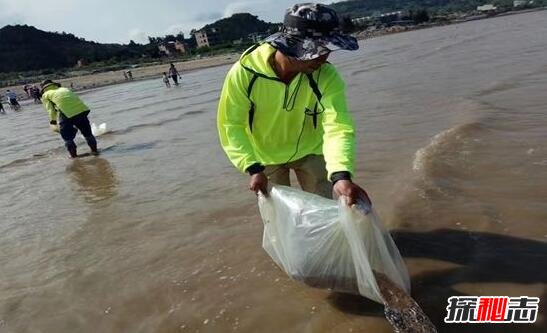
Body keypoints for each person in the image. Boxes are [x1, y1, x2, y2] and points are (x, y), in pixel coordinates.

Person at [217, 3, 369, 206]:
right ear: (291, 46)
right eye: (319, 50)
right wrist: (252, 168)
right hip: (267, 157)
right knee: (280, 213)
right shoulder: (244, 74)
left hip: (311, 149)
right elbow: (231, 124)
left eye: (328, 50)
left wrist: (341, 175)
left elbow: (338, 125)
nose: (325, 58)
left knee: (323, 209)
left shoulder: (325, 74)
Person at [40, 80, 98, 158]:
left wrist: (53, 122)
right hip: (82, 110)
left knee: (67, 138)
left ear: (43, 88)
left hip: (67, 113)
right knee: (88, 134)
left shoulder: (45, 95)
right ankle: (95, 152)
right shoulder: (64, 89)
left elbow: (50, 110)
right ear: (54, 84)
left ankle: (74, 158)